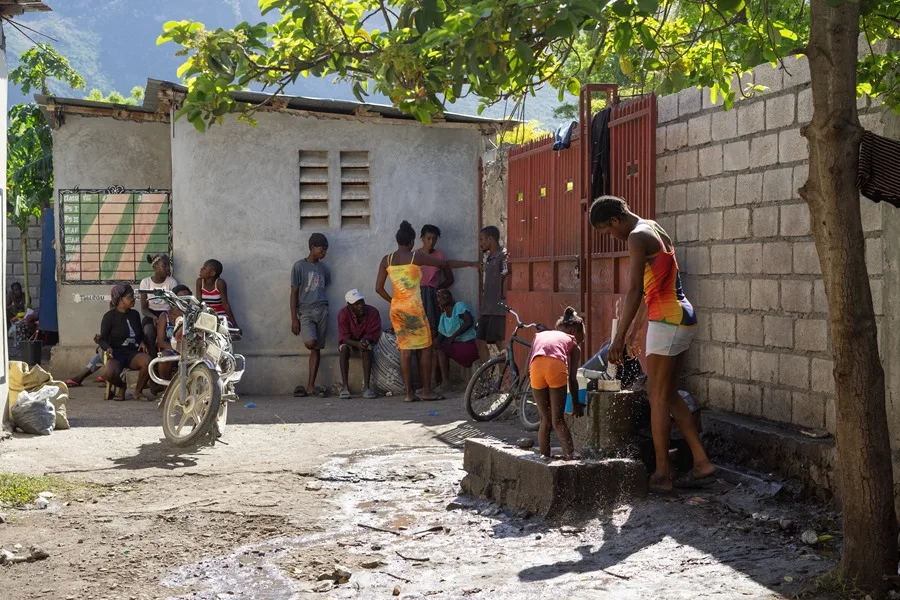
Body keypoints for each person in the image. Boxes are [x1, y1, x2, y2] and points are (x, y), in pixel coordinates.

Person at [590, 195, 715, 492]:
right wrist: (634, 332)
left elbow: (635, 290)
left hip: (667, 320)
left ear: (615, 220)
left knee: (656, 396)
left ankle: (662, 473)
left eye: (608, 230)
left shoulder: (636, 237)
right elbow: (654, 287)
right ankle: (701, 461)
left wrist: (618, 338)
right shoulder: (653, 227)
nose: (612, 236)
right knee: (668, 394)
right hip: (682, 317)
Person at [376, 221, 479, 402]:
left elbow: (378, 289)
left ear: (398, 241)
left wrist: (394, 301)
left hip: (397, 309)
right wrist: (471, 263)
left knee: (405, 350)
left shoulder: (387, 259)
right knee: (426, 348)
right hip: (414, 308)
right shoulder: (415, 257)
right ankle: (426, 391)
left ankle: (409, 394)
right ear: (411, 241)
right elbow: (445, 264)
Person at [529, 307, 585, 461]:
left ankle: (544, 458)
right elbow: (572, 379)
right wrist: (576, 404)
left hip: (535, 368)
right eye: (582, 336)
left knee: (545, 419)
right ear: (574, 331)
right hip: (555, 367)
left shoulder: (541, 335)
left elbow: (529, 364)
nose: (582, 340)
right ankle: (570, 458)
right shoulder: (573, 343)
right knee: (558, 420)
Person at [291, 233, 331, 398]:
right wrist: (294, 318)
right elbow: (294, 293)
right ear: (313, 247)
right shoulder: (299, 266)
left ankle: (310, 385)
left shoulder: (324, 269)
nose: (324, 252)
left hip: (322, 309)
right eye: (322, 249)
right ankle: (310, 385)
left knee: (317, 349)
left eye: (326, 250)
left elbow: (324, 287)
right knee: (311, 343)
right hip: (306, 311)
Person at [99, 284, 152, 401]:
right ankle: (122, 387)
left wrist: (142, 342)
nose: (133, 299)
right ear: (120, 300)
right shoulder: (109, 317)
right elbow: (102, 339)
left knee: (148, 362)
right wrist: (108, 348)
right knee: (109, 374)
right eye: (129, 297)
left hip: (132, 353)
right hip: (116, 353)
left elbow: (140, 335)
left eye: (133, 296)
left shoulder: (135, 314)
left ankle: (138, 392)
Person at [418, 224, 454, 386]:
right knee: (420, 339)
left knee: (433, 338)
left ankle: (434, 379)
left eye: (434, 239)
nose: (431, 242)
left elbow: (450, 279)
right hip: (417, 298)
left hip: (433, 299)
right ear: (422, 238)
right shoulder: (415, 255)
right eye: (428, 238)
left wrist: (436, 290)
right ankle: (422, 380)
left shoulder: (439, 256)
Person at [336, 289, 382, 399]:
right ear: (349, 305)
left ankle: (366, 387)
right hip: (349, 342)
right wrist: (357, 344)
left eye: (361, 302)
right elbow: (344, 338)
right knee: (344, 350)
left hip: (365, 341)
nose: (360, 306)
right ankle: (345, 388)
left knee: (367, 349)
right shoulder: (343, 314)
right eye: (356, 304)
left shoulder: (373, 312)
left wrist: (365, 341)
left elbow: (374, 333)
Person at [434, 289, 479, 388]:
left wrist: (453, 337)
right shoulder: (443, 317)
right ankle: (434, 382)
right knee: (436, 348)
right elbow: (440, 336)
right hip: (459, 348)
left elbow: (469, 322)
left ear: (452, 298)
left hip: (470, 344)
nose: (442, 297)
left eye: (445, 294)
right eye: (438, 296)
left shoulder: (459, 306)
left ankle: (445, 382)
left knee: (442, 350)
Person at [476, 225, 509, 363]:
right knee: (480, 340)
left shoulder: (503, 256)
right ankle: (486, 374)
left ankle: (504, 374)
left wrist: (502, 299)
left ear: (490, 238)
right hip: (487, 309)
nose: (480, 243)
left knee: (500, 343)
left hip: (497, 309)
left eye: (482, 239)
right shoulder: (490, 258)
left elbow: (506, 277)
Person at [139, 254, 178, 351]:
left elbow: (174, 306)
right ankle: (152, 358)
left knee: (169, 333)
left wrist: (165, 318)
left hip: (167, 315)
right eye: (164, 265)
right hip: (151, 315)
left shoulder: (172, 282)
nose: (168, 268)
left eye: (169, 265)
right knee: (149, 331)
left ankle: (168, 356)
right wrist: (153, 317)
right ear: (155, 267)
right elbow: (144, 309)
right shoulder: (145, 283)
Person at [155, 284, 194, 382]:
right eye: (180, 298)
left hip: (189, 349)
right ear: (173, 299)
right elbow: (160, 341)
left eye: (186, 297)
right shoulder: (165, 316)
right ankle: (166, 388)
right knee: (164, 358)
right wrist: (177, 349)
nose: (184, 300)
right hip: (171, 349)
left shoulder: (192, 315)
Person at [196, 259, 241, 332]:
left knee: (223, 333)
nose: (201, 269)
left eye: (205, 268)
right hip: (207, 317)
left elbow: (225, 305)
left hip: (221, 317)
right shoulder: (200, 282)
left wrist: (235, 325)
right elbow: (199, 303)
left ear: (212, 273)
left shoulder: (220, 283)